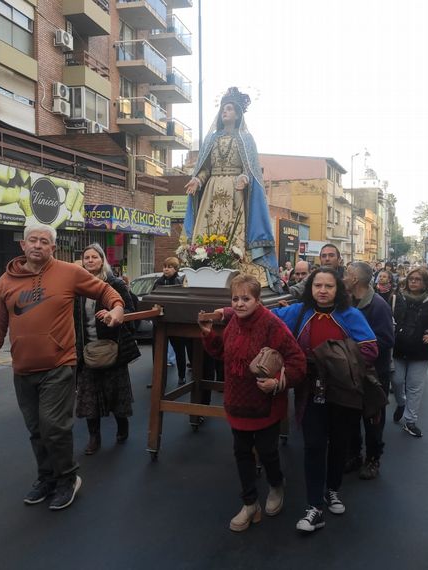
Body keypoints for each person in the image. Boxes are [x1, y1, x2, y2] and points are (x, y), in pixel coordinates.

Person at [0, 224, 125, 511]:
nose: (37, 245)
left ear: (53, 248)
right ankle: (46, 478)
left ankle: (67, 479)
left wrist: (117, 308)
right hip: (23, 369)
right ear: (23, 245)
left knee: (54, 427)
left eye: (44, 242)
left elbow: (105, 290)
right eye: (32, 240)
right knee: (36, 429)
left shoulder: (68, 273)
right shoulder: (5, 283)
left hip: (59, 364)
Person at [272, 267, 378, 533]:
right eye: (317, 285)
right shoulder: (298, 311)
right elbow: (266, 319)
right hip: (309, 390)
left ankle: (332, 489)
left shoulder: (350, 315)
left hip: (343, 391)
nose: (322, 290)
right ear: (310, 288)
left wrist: (334, 362)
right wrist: (229, 312)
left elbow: (370, 348)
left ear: (338, 289)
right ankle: (314, 506)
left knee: (339, 444)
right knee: (314, 445)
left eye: (328, 286)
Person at [199, 274, 306, 532]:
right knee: (242, 453)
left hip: (265, 405)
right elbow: (223, 354)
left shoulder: (272, 325)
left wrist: (279, 382)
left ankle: (276, 484)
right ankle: (250, 504)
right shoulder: (233, 322)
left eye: (245, 298)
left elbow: (298, 362)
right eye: (235, 299)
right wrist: (209, 335)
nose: (239, 304)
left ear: (258, 301)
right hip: (237, 403)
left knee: (268, 452)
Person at [184, 87, 281, 291]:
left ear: (237, 114)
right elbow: (205, 170)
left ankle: (236, 272)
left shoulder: (246, 139)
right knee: (207, 230)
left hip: (234, 193)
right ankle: (203, 265)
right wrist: (198, 181)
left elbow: (251, 170)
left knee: (233, 230)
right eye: (222, 109)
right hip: (211, 190)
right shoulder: (211, 139)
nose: (224, 112)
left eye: (229, 109)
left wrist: (245, 179)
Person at [74, 243, 139, 455]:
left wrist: (114, 316)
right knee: (89, 397)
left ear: (102, 260)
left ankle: (122, 426)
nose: (90, 260)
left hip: (112, 349)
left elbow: (129, 311)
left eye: (94, 257)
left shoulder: (114, 283)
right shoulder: (77, 286)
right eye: (87, 257)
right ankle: (94, 438)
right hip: (86, 350)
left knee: (115, 394)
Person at [344, 262, 395, 480]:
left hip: (373, 374)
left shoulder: (378, 305)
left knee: (373, 418)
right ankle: (354, 455)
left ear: (355, 279)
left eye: (347, 273)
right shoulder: (347, 302)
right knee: (351, 416)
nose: (343, 277)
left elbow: (386, 340)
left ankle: (373, 459)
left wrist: (353, 348)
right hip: (351, 372)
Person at [391, 266, 428, 437]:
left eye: (417, 279)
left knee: (415, 386)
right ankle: (401, 403)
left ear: (425, 282)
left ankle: (410, 421)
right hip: (398, 347)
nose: (413, 282)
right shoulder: (398, 298)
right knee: (397, 381)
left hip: (420, 350)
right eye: (411, 279)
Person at [153, 257, 191, 386]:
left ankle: (182, 376)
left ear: (175, 269)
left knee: (179, 350)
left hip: (175, 321)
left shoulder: (180, 281)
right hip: (161, 322)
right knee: (158, 352)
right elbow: (153, 298)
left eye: (169, 267)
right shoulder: (158, 282)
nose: (166, 269)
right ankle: (157, 377)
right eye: (164, 266)